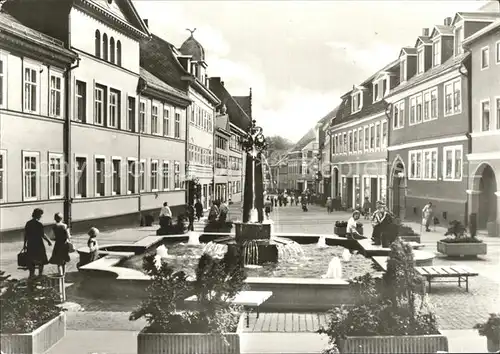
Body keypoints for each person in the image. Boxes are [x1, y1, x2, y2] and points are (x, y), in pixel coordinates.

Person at [24, 208, 52, 278]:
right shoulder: (39, 224)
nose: (41, 216)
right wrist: (48, 241)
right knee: (41, 259)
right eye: (40, 215)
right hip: (38, 244)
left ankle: (31, 274)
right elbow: (42, 234)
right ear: (38, 215)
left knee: (31, 259)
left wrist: (24, 244)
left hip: (30, 243)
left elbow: (26, 235)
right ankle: (40, 274)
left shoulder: (28, 223)